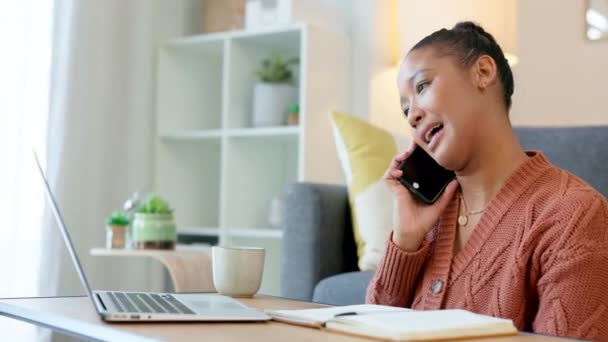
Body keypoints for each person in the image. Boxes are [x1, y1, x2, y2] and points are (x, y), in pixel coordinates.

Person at [366, 21, 608, 341]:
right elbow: (367, 328)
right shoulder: (426, 222)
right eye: (405, 109)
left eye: (422, 86)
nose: (412, 115)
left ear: (482, 72)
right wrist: (406, 241)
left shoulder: (574, 213)